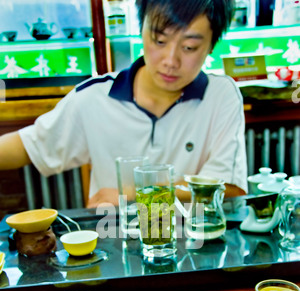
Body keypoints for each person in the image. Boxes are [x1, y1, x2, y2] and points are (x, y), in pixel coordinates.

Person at [0, 0, 248, 208]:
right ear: (141, 30)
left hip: (195, 242)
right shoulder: (95, 97)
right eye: (160, 41)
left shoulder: (221, 95)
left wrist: (135, 192)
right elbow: (29, 145)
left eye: (189, 47)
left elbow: (230, 186)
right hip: (115, 244)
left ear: (211, 45)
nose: (171, 61)